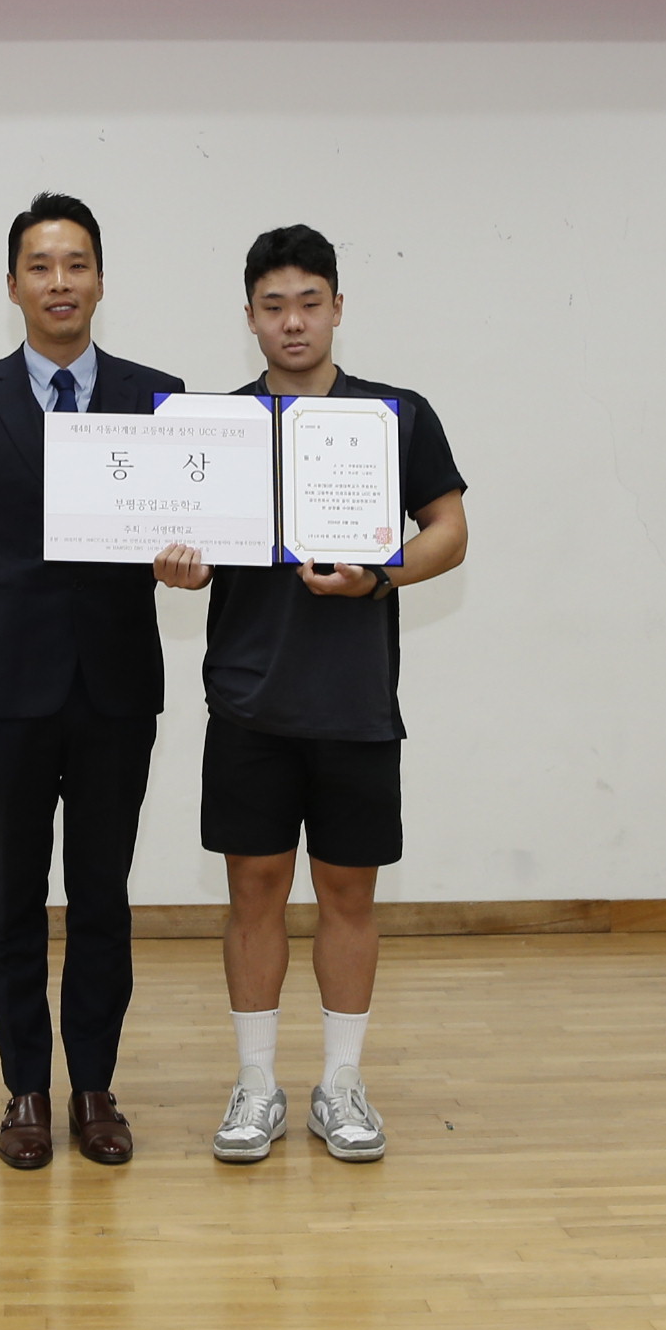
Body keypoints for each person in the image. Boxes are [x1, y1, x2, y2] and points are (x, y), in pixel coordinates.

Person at [152, 224, 465, 1164]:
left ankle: (341, 1086)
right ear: (249, 317)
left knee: (348, 896)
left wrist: (380, 575)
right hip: (249, 702)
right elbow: (184, 542)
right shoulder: (215, 429)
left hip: (355, 704)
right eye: (274, 306)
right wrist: (181, 567)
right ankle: (256, 1087)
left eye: (309, 303)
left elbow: (449, 527)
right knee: (253, 893)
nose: (293, 322)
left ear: (337, 308)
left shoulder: (394, 416)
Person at [0, 195, 188, 1170]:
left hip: (117, 685)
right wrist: (17, 619)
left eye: (77, 263)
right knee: (14, 896)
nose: (60, 282)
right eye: (41, 266)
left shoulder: (159, 400)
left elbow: (182, 521)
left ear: (101, 280)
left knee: (104, 896)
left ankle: (95, 1089)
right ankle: (26, 1090)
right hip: (8, 689)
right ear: (12, 285)